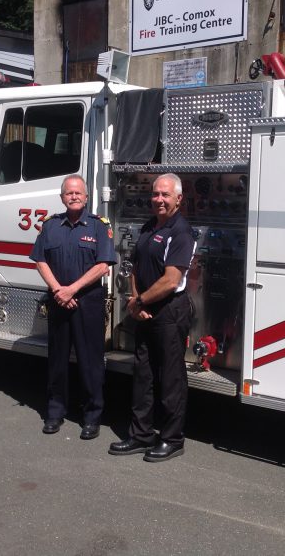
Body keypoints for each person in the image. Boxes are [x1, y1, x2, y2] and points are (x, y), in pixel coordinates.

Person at [109, 173, 195, 462]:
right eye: (156, 194)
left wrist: (140, 301)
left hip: (170, 311)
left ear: (178, 199)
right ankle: (140, 435)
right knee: (143, 375)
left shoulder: (181, 232)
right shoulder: (149, 227)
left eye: (165, 195)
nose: (159, 199)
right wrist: (135, 302)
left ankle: (172, 439)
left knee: (170, 378)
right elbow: (135, 266)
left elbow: (172, 280)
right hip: (144, 309)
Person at [30, 174, 116, 440]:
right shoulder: (50, 226)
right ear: (62, 197)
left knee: (90, 363)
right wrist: (58, 290)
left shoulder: (99, 226)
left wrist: (72, 289)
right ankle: (55, 413)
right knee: (57, 360)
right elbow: (40, 260)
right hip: (58, 301)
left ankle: (92, 416)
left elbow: (103, 265)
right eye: (69, 193)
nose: (74, 196)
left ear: (87, 197)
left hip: (87, 303)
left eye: (79, 193)